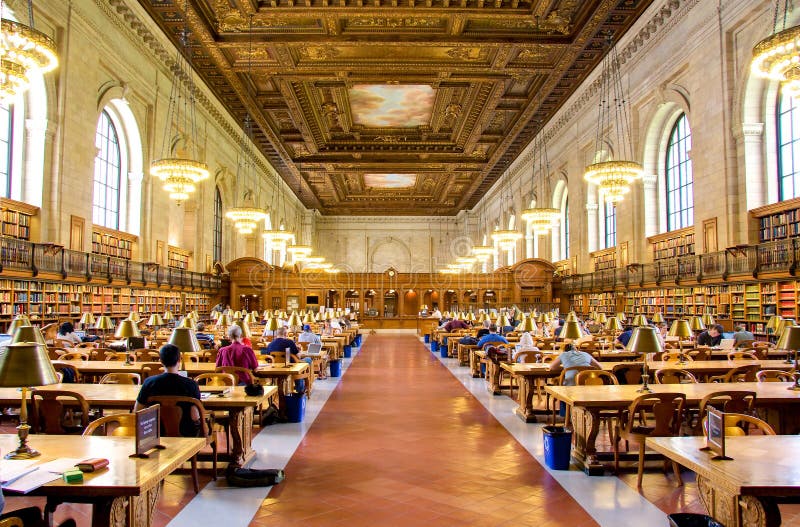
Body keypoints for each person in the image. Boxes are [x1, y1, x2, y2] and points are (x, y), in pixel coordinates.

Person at [133, 344, 202, 437]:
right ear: (179, 360)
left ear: (161, 361)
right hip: (186, 434)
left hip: (155, 432)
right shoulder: (191, 384)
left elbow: (137, 410)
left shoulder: (149, 382)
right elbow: (195, 416)